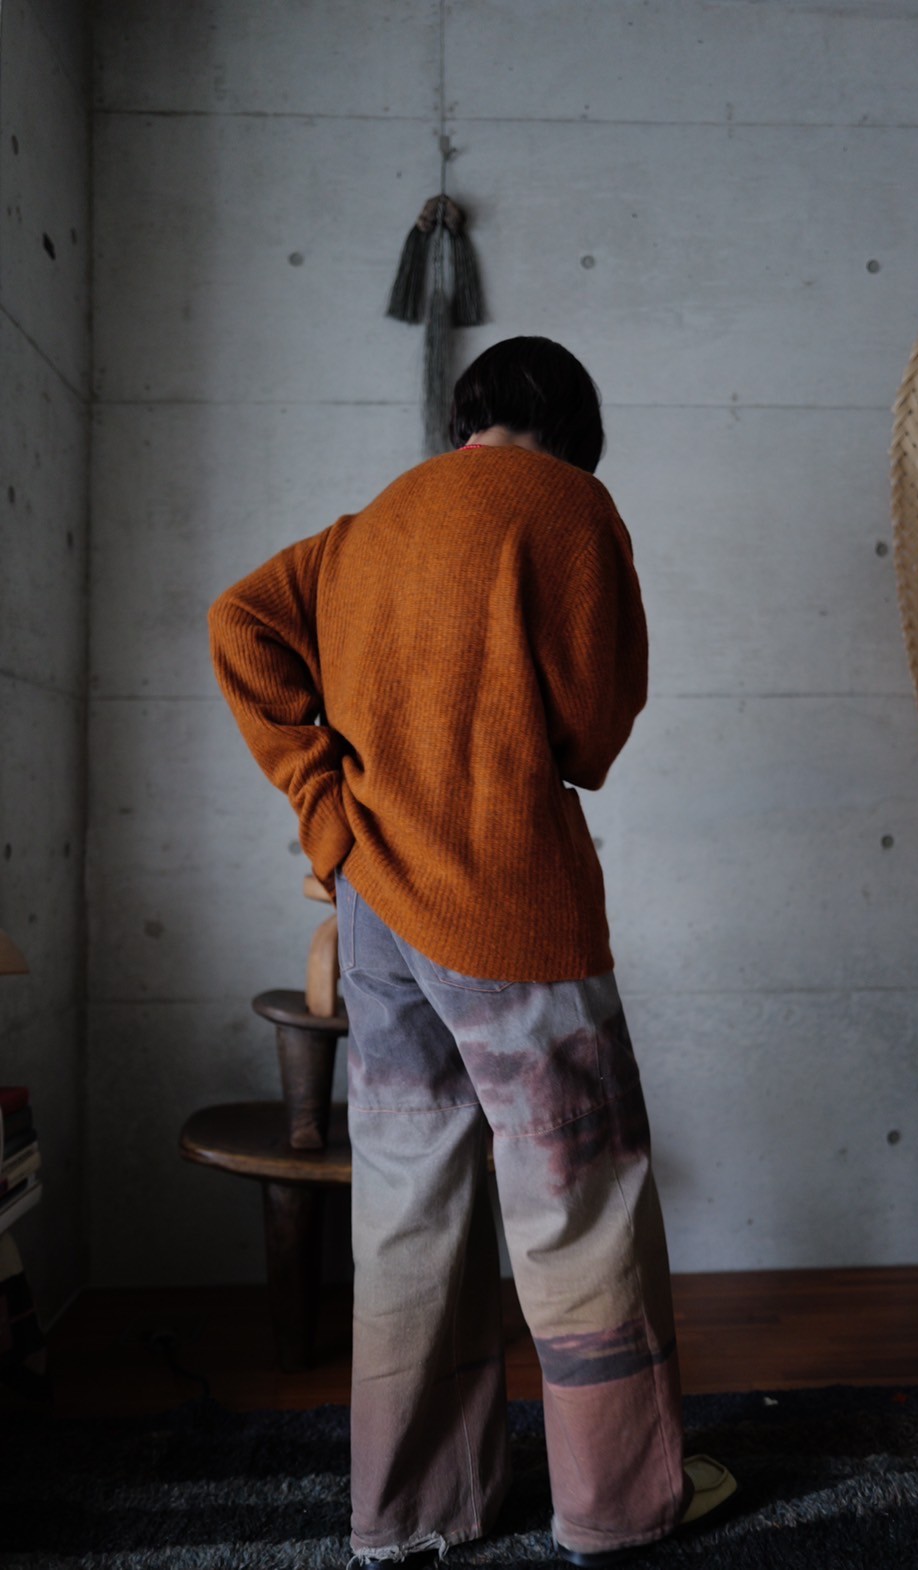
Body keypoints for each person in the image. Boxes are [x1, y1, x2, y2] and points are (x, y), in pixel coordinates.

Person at [208, 337, 738, 1566]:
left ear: (470, 416)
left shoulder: (364, 528)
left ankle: (409, 1513)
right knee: (577, 1196)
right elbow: (594, 729)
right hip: (508, 899)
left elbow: (239, 623)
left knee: (407, 1203)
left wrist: (327, 810)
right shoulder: (569, 506)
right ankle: (616, 1507)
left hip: (376, 908)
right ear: (573, 429)